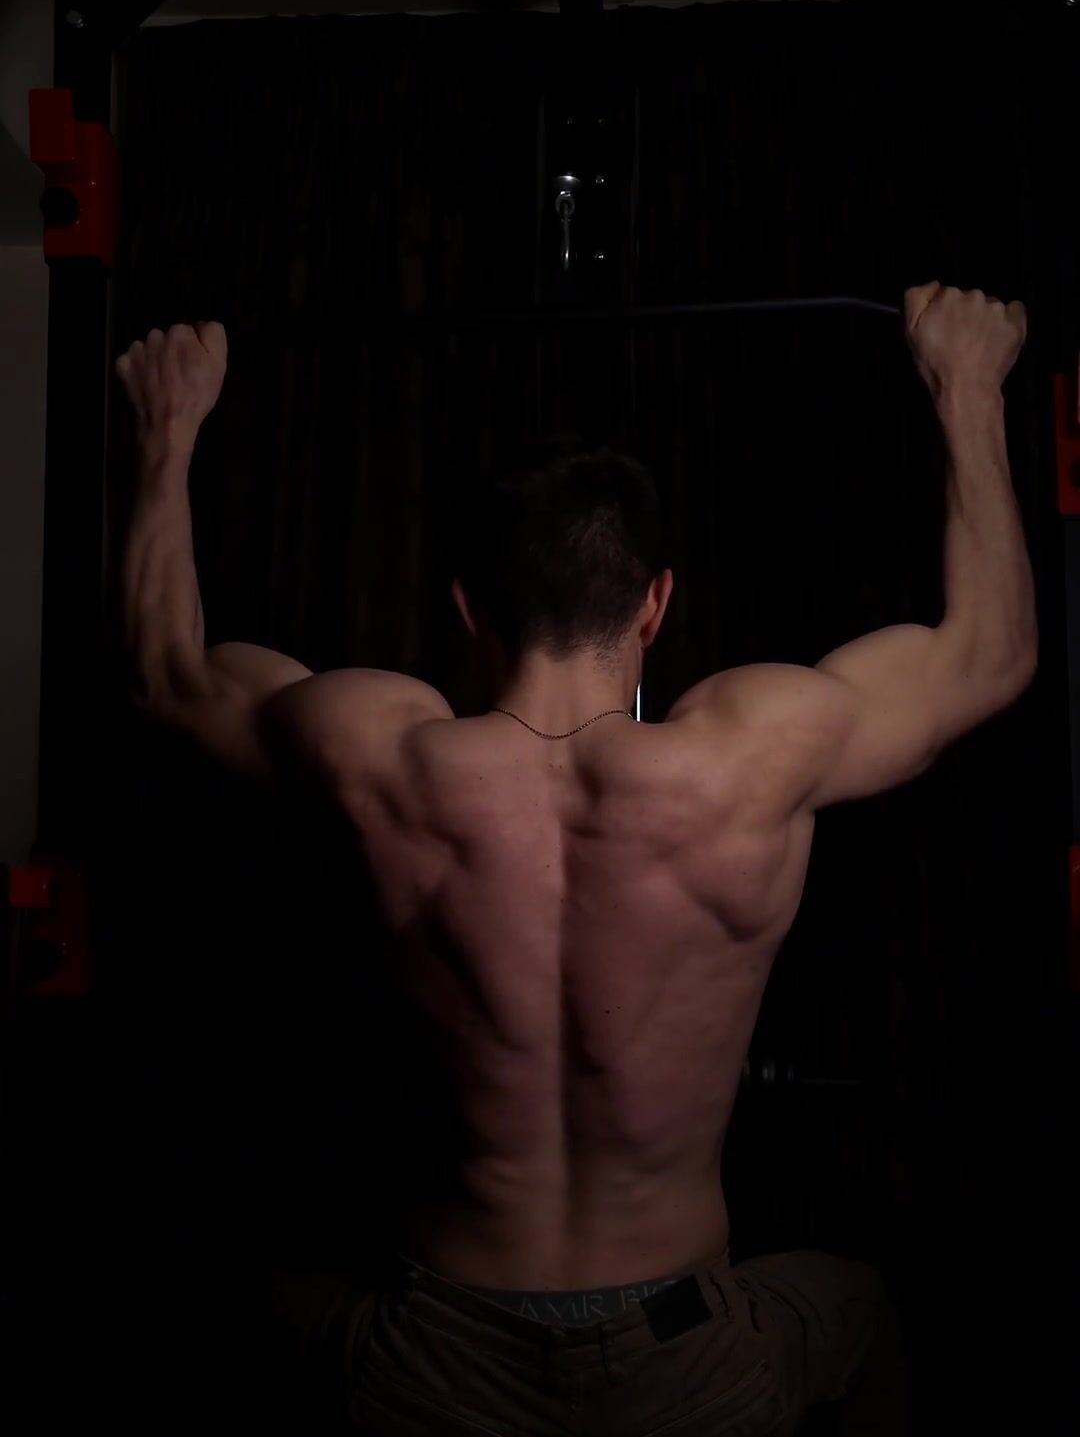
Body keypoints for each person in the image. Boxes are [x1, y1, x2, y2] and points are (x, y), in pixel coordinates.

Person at [115, 281, 1036, 1435]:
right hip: (680, 1346)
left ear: (466, 607)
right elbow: (990, 654)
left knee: (194, 1289)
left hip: (439, 1344)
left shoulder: (377, 754)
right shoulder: (753, 753)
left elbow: (168, 672)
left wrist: (170, 426)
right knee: (863, 1305)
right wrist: (967, 385)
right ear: (655, 604)